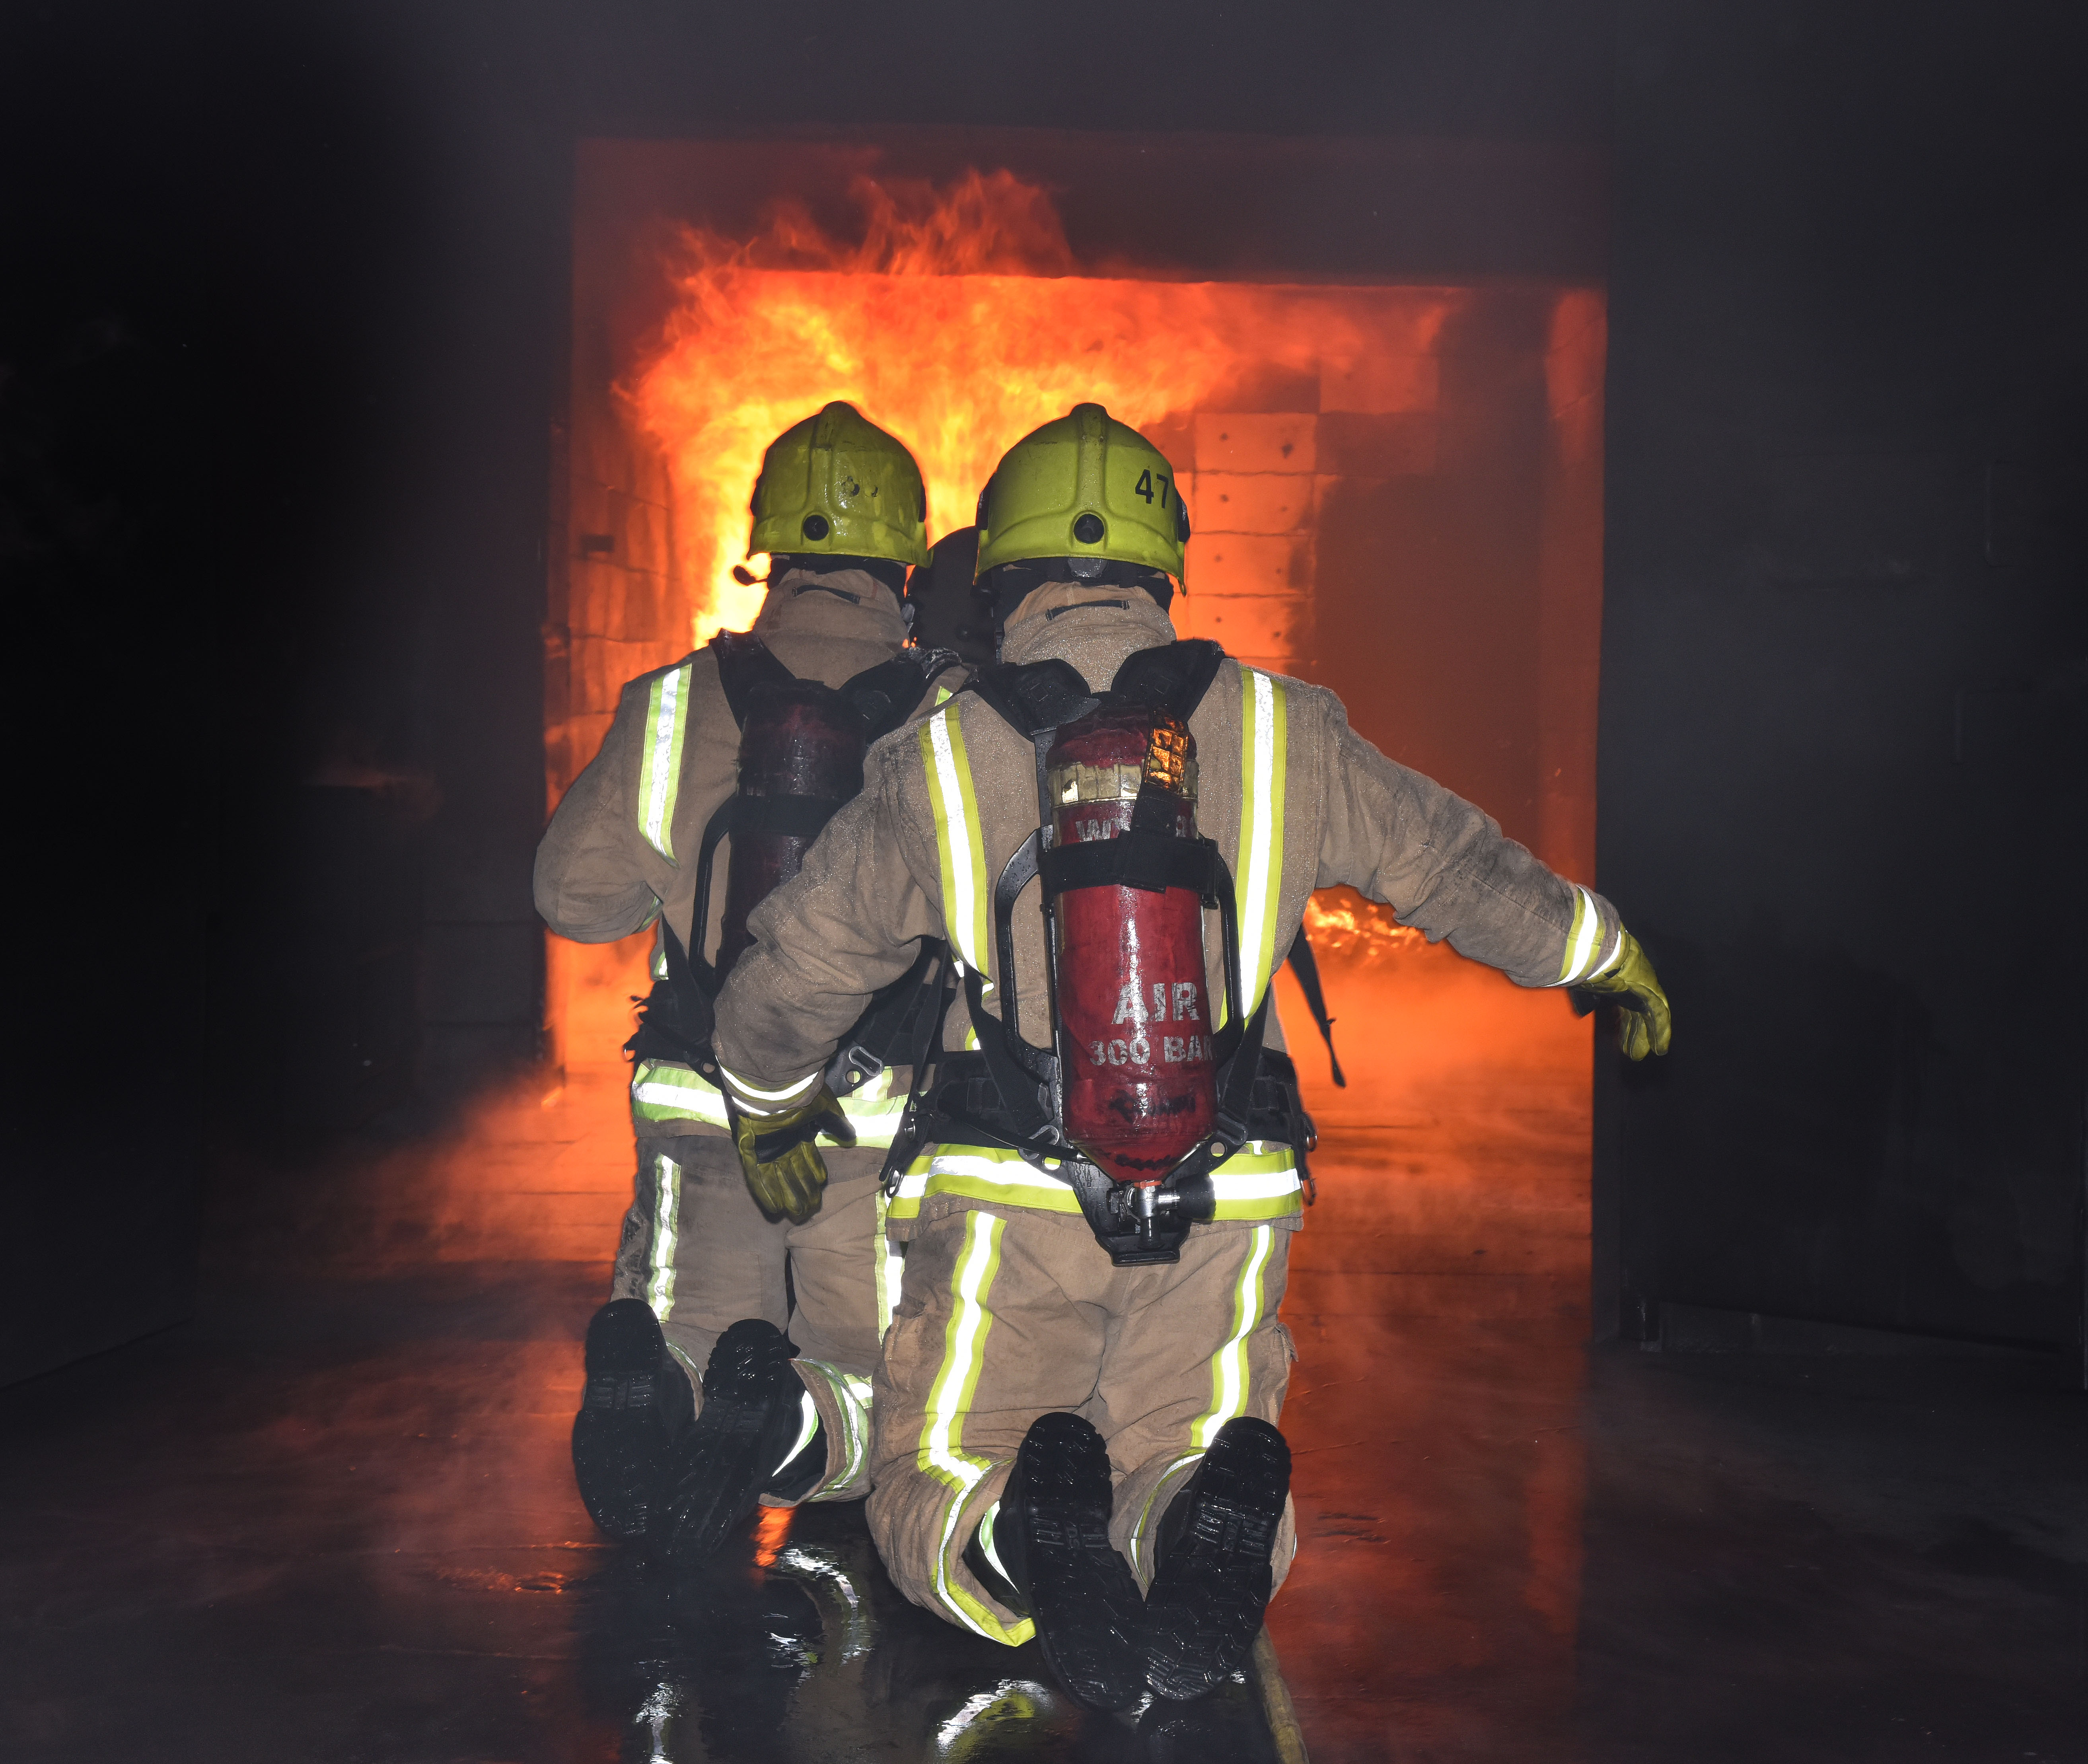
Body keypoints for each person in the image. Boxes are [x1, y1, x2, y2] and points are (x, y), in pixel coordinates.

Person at [707, 403, 1671, 1706]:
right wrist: (1598, 950)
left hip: (1010, 1195)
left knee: (935, 1467)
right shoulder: (1283, 727)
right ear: (1165, 562)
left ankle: (1015, 1540)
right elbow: (1453, 865)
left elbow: (806, 961)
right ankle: (1183, 1515)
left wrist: (766, 1102)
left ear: (997, 572)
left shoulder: (942, 747)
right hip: (1228, 1189)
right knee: (1192, 1435)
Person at [533, 401, 962, 1564]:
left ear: (763, 545)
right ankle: (781, 1422)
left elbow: (573, 900)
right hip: (874, 1116)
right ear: (905, 553)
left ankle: (660, 1387)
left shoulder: (674, 699)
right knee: (879, 1395)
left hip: (699, 1097)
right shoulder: (951, 714)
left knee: (689, 1319)